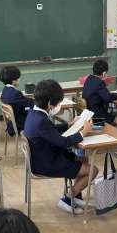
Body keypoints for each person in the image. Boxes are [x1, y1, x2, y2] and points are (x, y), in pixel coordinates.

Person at [24, 79, 98, 215]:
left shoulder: (33, 113)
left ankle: (76, 196)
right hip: (47, 163)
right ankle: (68, 199)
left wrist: (69, 124)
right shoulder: (41, 120)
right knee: (93, 170)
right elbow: (63, 143)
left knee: (83, 160)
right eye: (58, 103)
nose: (58, 106)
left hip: (42, 157)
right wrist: (83, 132)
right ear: (49, 103)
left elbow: (50, 131)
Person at [82, 59, 117, 124]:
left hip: (88, 113)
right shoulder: (99, 82)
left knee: (112, 109)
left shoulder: (89, 79)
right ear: (104, 73)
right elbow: (107, 97)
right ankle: (114, 129)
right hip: (97, 116)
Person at [0, 66, 34, 136]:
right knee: (39, 114)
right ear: (14, 80)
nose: (19, 80)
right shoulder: (15, 93)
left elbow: (24, 101)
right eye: (19, 78)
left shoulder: (5, 90)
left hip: (12, 122)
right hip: (19, 123)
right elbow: (31, 103)